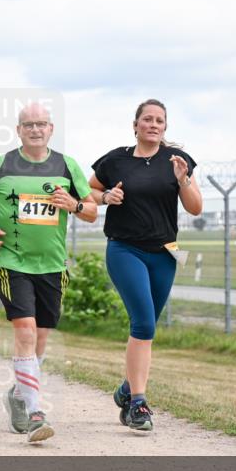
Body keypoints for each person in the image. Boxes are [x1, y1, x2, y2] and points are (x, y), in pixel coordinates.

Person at [0, 102, 97, 443]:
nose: (35, 129)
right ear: (18, 130)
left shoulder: (67, 166)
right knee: (24, 332)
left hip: (53, 266)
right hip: (12, 262)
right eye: (28, 125)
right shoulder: (2, 164)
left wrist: (75, 205)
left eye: (41, 124)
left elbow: (92, 211)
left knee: (39, 339)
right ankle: (36, 413)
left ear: (51, 129)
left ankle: (19, 394)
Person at [89, 99, 202, 430]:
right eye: (147, 119)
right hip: (125, 250)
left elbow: (195, 208)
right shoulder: (116, 159)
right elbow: (87, 191)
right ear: (135, 124)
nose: (154, 124)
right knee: (144, 325)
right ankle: (138, 404)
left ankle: (127, 388)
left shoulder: (176, 161)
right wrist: (106, 196)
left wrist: (183, 180)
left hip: (164, 253)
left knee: (148, 325)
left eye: (160, 121)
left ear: (165, 127)